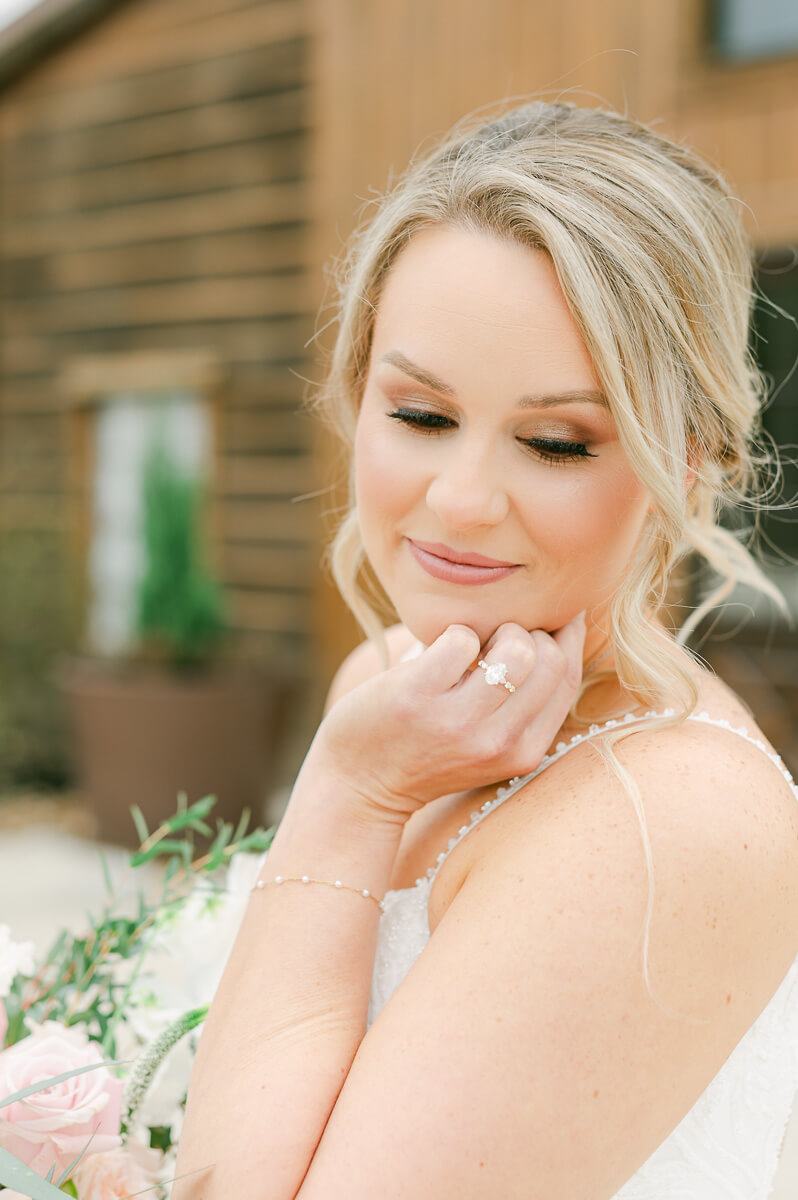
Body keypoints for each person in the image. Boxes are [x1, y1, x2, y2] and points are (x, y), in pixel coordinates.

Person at [172, 99, 798, 1199]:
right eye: (418, 414)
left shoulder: (672, 822)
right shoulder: (395, 690)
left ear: (688, 464)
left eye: (554, 442)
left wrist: (350, 793)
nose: (458, 503)